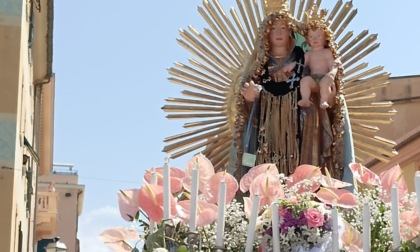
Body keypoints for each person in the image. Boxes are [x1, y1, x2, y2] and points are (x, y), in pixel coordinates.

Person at [233, 2, 348, 181]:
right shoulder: (260, 64)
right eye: (273, 28)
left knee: (310, 113)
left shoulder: (302, 56)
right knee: (267, 171)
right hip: (268, 128)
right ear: (266, 33)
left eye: (283, 27)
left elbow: (325, 92)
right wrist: (250, 99)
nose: (278, 33)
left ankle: (307, 182)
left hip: (300, 128)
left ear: (291, 31)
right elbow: (244, 112)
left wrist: (326, 93)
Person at [298, 8, 339, 109]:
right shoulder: (309, 54)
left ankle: (324, 100)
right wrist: (290, 68)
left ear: (325, 38)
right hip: (313, 78)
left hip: (324, 77)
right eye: (311, 37)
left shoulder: (327, 52)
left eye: (318, 36)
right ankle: (305, 99)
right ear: (307, 40)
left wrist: (331, 74)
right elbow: (299, 64)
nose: (315, 39)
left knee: (325, 84)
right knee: (305, 81)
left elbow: (333, 64)